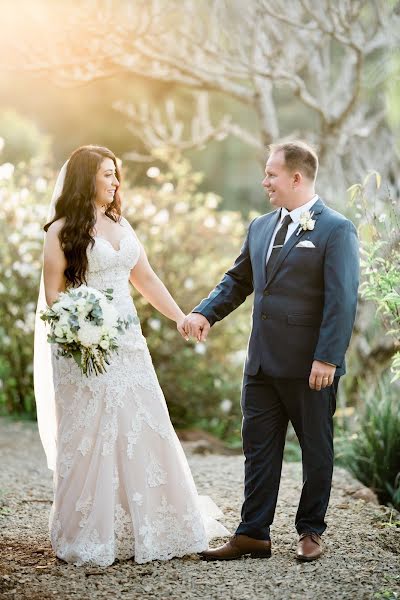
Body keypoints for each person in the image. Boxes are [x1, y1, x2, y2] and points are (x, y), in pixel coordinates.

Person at [34, 145, 227, 566]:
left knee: (145, 422)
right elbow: (53, 296)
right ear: (88, 178)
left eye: (116, 174)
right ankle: (88, 533)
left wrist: (180, 316)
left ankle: (161, 526)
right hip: (83, 347)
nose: (116, 182)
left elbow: (146, 278)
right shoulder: (61, 230)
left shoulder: (122, 225)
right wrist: (81, 328)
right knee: (89, 433)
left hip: (128, 345)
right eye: (107, 174)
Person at [184, 141, 359, 562]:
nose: (265, 182)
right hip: (261, 362)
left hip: (310, 366)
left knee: (316, 450)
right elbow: (238, 280)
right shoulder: (261, 226)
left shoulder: (336, 229)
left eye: (271, 174)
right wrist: (206, 312)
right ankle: (253, 534)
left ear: (296, 178)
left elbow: (343, 299)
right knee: (258, 449)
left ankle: (310, 530)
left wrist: (328, 358)